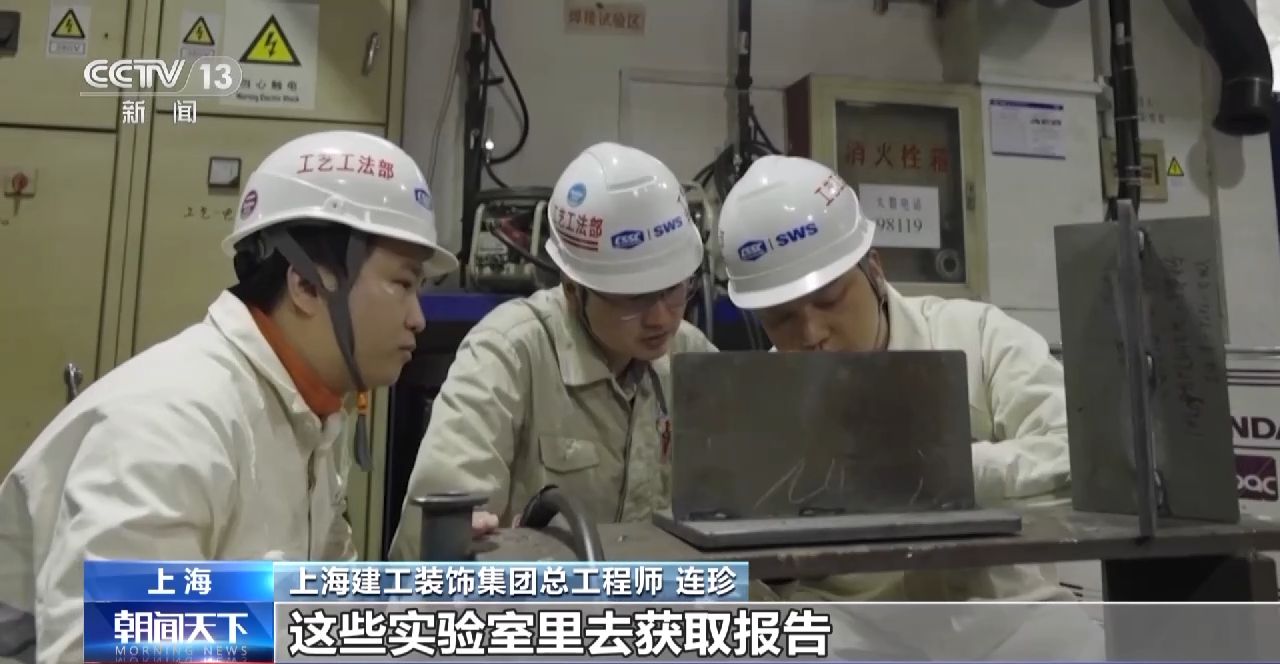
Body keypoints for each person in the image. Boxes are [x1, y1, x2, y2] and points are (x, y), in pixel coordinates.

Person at [0, 131, 457, 662]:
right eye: (402, 284)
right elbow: (107, 649)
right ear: (307, 286)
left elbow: (322, 611)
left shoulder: (303, 417)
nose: (418, 318)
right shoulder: (173, 423)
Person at [715, 155, 1103, 659]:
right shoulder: (756, 403)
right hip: (843, 634)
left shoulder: (978, 338)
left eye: (829, 299)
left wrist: (942, 472)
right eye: (781, 317)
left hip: (1004, 622)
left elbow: (1087, 456)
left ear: (874, 270)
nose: (811, 334)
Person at [389, 142, 717, 561]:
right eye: (632, 297)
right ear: (572, 288)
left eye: (673, 289)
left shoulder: (690, 356)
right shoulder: (508, 355)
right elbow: (430, 546)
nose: (661, 318)